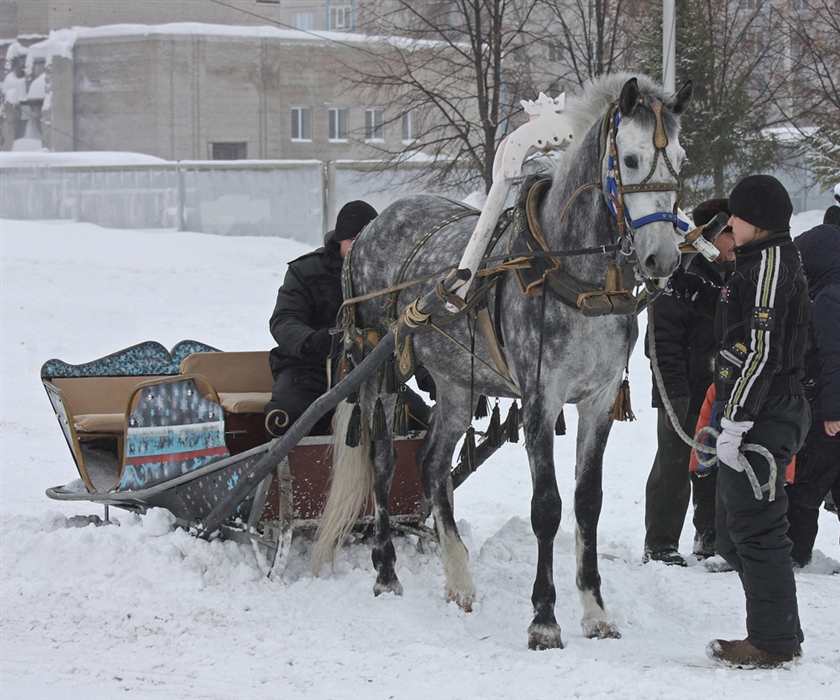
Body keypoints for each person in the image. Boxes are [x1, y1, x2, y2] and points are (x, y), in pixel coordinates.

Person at [670, 174, 810, 668]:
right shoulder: (756, 262)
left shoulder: (770, 265)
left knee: (757, 527)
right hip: (757, 410)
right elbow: (738, 325)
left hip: (764, 411)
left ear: (761, 222)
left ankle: (771, 641)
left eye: (739, 216)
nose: (731, 223)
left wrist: (737, 422)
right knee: (747, 525)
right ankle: (779, 632)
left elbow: (762, 350)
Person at [642, 199, 735, 566]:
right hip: (682, 390)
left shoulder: (735, 273)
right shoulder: (681, 276)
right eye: (731, 233)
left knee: (715, 465)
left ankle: (709, 534)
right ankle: (661, 542)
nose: (737, 241)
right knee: (674, 465)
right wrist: (674, 394)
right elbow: (662, 341)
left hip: (721, 391)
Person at [264, 200, 378, 437]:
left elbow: (408, 327)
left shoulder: (385, 276)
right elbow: (284, 319)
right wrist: (311, 341)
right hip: (308, 369)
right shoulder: (306, 271)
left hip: (369, 372)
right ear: (340, 240)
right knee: (285, 416)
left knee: (413, 415)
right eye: (355, 242)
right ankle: (284, 472)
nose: (363, 249)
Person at [785, 222, 840, 567]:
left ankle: (795, 554)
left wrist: (831, 412)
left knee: (805, 489)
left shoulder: (827, 299)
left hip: (825, 411)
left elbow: (834, 358)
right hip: (829, 404)